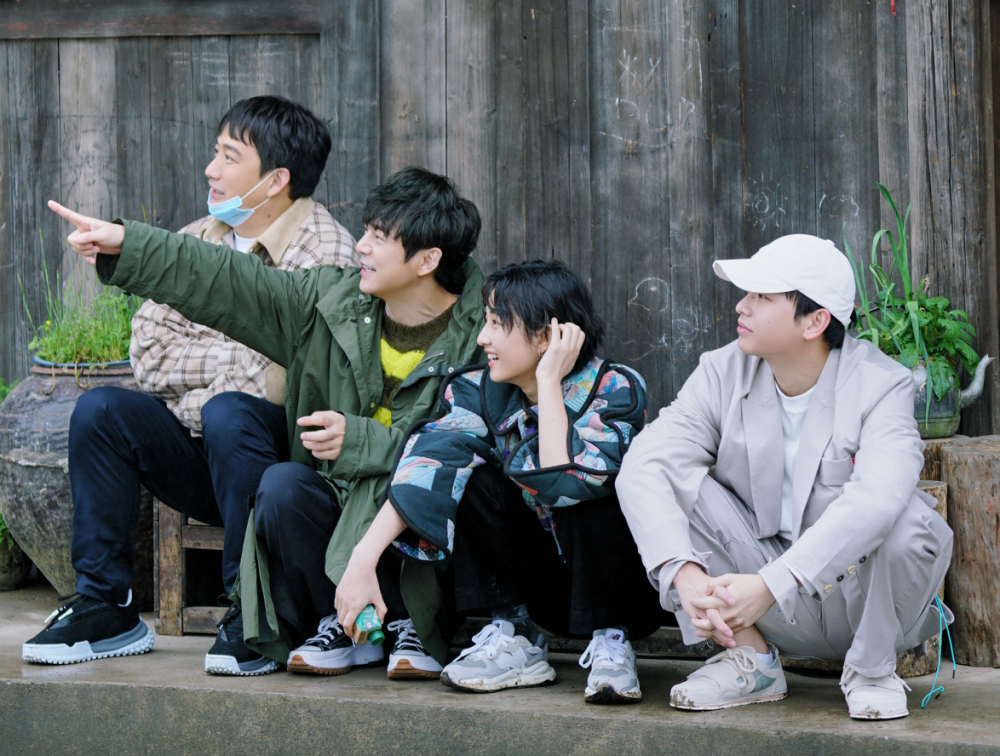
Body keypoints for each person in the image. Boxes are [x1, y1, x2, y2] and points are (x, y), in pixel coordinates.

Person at [28, 167, 484, 680]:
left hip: (417, 538)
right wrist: (127, 244)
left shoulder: (482, 335)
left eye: (380, 237)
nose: (361, 246)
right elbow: (229, 280)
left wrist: (361, 440)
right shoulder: (331, 302)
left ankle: (404, 621)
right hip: (330, 513)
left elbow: (461, 448)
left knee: (439, 483)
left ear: (426, 260)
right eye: (366, 231)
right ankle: (333, 623)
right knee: (282, 483)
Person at [21, 95, 357, 671]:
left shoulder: (326, 251)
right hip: (209, 452)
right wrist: (229, 373)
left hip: (285, 470)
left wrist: (207, 386)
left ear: (276, 179)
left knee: (233, 412)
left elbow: (277, 385)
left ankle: (250, 610)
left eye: (229, 156)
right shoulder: (202, 234)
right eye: (215, 152)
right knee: (101, 411)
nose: (210, 169)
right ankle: (106, 605)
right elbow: (149, 352)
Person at [616, 235, 953, 720]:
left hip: (859, 605)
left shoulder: (882, 385)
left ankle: (872, 670)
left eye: (762, 296)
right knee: (667, 478)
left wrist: (772, 584)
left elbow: (879, 498)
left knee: (907, 521)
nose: (742, 305)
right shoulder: (722, 371)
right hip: (752, 603)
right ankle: (750, 659)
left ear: (815, 321)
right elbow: (644, 465)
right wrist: (682, 574)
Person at [334, 259, 670, 701]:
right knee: (472, 476)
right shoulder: (478, 391)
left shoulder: (613, 388)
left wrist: (548, 380)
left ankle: (612, 642)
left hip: (622, 591)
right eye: (486, 321)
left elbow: (566, 482)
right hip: (543, 590)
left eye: (497, 323)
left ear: (546, 336)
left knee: (599, 488)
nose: (482, 337)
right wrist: (361, 561)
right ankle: (515, 633)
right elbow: (427, 463)